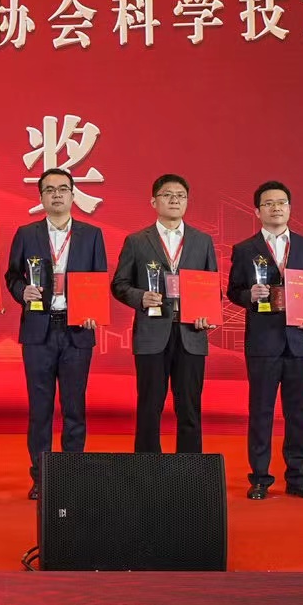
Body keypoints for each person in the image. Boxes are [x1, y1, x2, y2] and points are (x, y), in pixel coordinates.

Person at [6, 168, 108, 500]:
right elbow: (12, 276)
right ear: (41, 197)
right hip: (39, 329)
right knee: (40, 409)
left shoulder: (91, 235)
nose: (57, 195)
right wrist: (22, 292)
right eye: (49, 190)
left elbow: (99, 277)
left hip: (77, 329)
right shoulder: (26, 233)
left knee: (74, 406)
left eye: (63, 189)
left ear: (73, 194)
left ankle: (72, 476)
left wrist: (94, 310)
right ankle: (42, 477)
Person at [226, 181, 303, 500]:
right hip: (263, 341)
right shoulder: (245, 249)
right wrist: (249, 295)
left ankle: (298, 478)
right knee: (261, 411)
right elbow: (233, 291)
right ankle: (260, 478)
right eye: (268, 203)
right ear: (257, 211)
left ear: (290, 208)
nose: (276, 208)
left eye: (281, 202)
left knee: (298, 413)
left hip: (300, 340)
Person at [112, 174, 219, 454]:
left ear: (187, 201)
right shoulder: (137, 241)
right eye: (167, 194)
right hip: (152, 333)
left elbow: (212, 286)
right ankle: (147, 469)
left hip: (191, 333)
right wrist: (140, 297)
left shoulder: (202, 241)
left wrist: (207, 313)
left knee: (190, 408)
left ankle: (190, 469)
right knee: (149, 407)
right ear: (153, 202)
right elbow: (119, 284)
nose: (174, 200)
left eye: (180, 195)